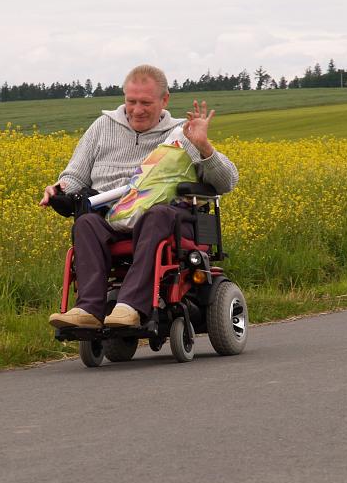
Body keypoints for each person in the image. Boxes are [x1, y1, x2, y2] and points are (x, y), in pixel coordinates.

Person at [39, 64, 238, 329]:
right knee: (85, 223)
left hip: (166, 219)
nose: (137, 109)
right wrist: (58, 189)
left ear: (164, 100)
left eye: (146, 102)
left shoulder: (182, 132)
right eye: (131, 101)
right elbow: (75, 177)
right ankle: (87, 309)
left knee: (155, 216)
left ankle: (131, 306)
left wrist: (204, 147)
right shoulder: (102, 127)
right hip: (112, 216)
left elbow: (227, 182)